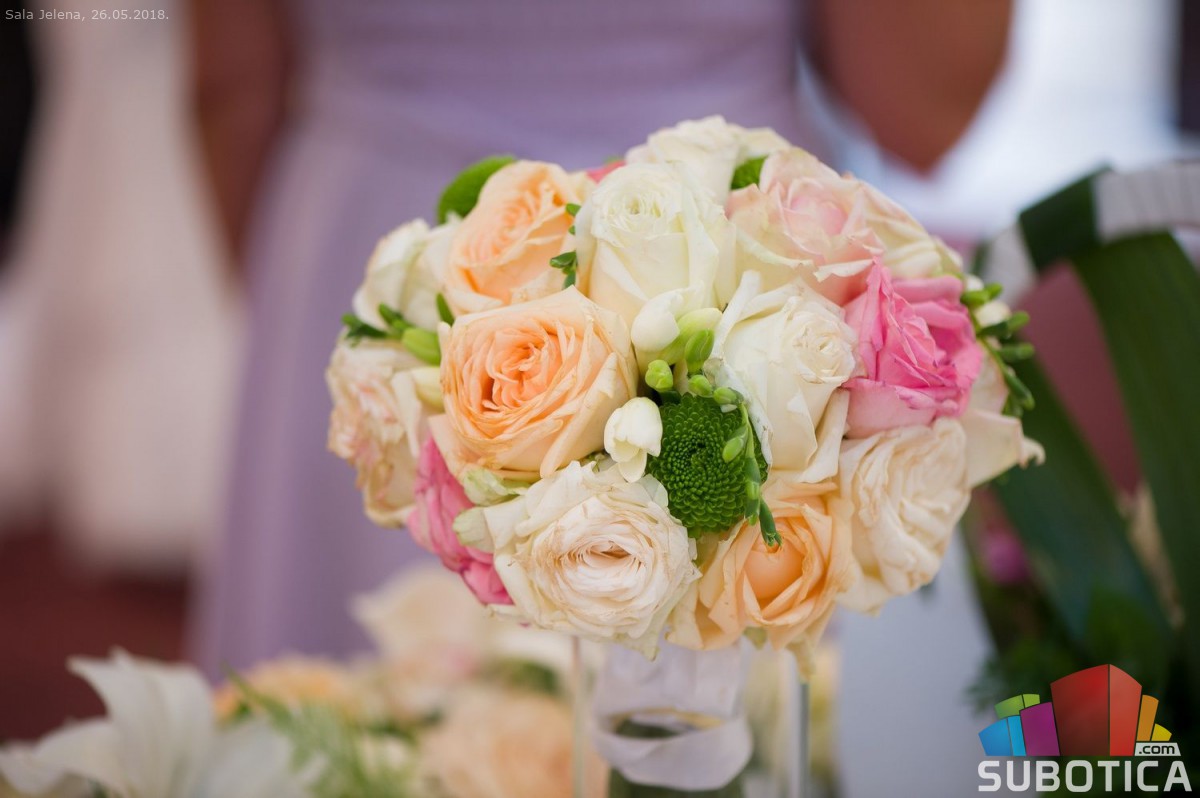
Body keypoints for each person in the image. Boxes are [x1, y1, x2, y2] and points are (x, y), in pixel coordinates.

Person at [190, 0, 1013, 673]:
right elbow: (925, 106)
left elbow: (230, 89)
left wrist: (288, 319)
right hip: (744, 251)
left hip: (377, 241)